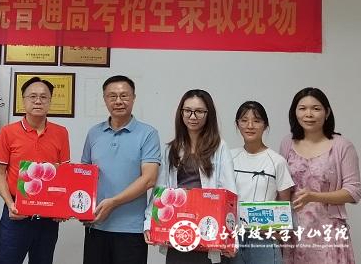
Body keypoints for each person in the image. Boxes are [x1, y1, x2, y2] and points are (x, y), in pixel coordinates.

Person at [144, 89, 237, 264]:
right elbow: (160, 191)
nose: (192, 116)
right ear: (181, 113)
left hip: (208, 228)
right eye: (187, 111)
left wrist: (231, 237)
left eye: (199, 111)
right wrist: (149, 222)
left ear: (208, 114)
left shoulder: (219, 147)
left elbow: (229, 192)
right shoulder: (171, 149)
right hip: (178, 228)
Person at [81, 75, 161, 264]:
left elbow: (149, 179)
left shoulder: (148, 134)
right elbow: (83, 174)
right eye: (112, 96)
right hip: (96, 225)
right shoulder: (94, 133)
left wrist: (113, 203)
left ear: (133, 98)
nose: (118, 101)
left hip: (131, 230)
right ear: (104, 99)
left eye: (124, 95)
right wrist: (80, 208)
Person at [0, 76, 70, 264]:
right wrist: (10, 203)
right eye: (33, 96)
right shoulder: (8, 132)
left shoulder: (61, 132)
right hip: (16, 213)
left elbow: (64, 173)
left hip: (48, 216)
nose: (38, 101)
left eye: (44, 97)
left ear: (50, 101)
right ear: (23, 100)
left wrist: (62, 208)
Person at [279, 87, 361, 264]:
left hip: (329, 233)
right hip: (294, 233)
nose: (309, 114)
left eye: (316, 108)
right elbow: (281, 187)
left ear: (327, 112)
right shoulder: (287, 143)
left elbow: (353, 192)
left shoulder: (342, 146)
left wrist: (314, 196)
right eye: (302, 108)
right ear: (294, 112)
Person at [229, 101, 294, 264]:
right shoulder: (229, 158)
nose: (250, 126)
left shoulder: (277, 162)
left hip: (263, 240)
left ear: (265, 125)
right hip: (232, 238)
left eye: (256, 121)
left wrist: (276, 233)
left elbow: (284, 207)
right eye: (244, 120)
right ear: (237, 124)